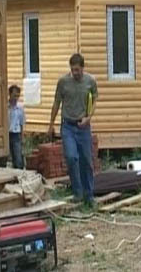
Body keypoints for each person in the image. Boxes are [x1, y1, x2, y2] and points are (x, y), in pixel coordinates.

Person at [49, 53, 98, 206]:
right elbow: (56, 103)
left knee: (86, 160)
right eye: (72, 70)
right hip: (68, 126)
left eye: (77, 70)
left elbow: (94, 100)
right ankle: (77, 192)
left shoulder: (90, 81)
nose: (75, 73)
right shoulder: (63, 82)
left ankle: (89, 196)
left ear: (83, 68)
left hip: (83, 126)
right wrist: (51, 124)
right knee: (71, 157)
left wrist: (88, 117)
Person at [0, 85, 25, 169]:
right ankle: (1, 170)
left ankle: (18, 171)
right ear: (10, 94)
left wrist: (22, 137)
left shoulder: (20, 108)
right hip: (6, 133)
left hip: (16, 134)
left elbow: (21, 123)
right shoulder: (5, 107)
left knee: (17, 156)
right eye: (14, 95)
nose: (16, 98)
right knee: (3, 156)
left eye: (17, 96)